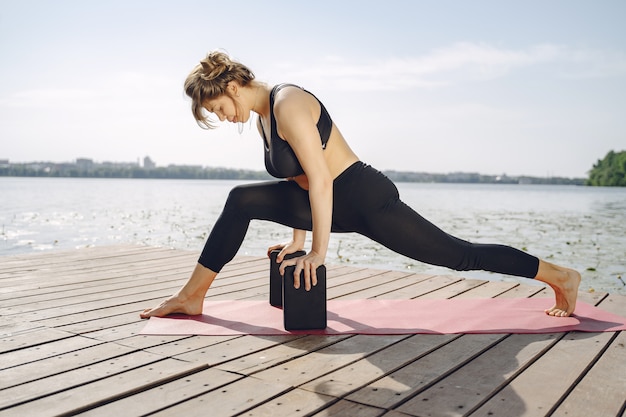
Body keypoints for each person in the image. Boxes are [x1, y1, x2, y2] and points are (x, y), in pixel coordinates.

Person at [140, 51, 581, 319]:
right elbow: (296, 182)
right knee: (241, 199)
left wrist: (317, 250)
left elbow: (321, 180)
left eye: (217, 107)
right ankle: (191, 296)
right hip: (328, 196)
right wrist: (297, 240)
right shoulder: (262, 120)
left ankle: (559, 275)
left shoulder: (288, 103)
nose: (221, 117)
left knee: (457, 255)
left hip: (365, 198)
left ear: (233, 86)